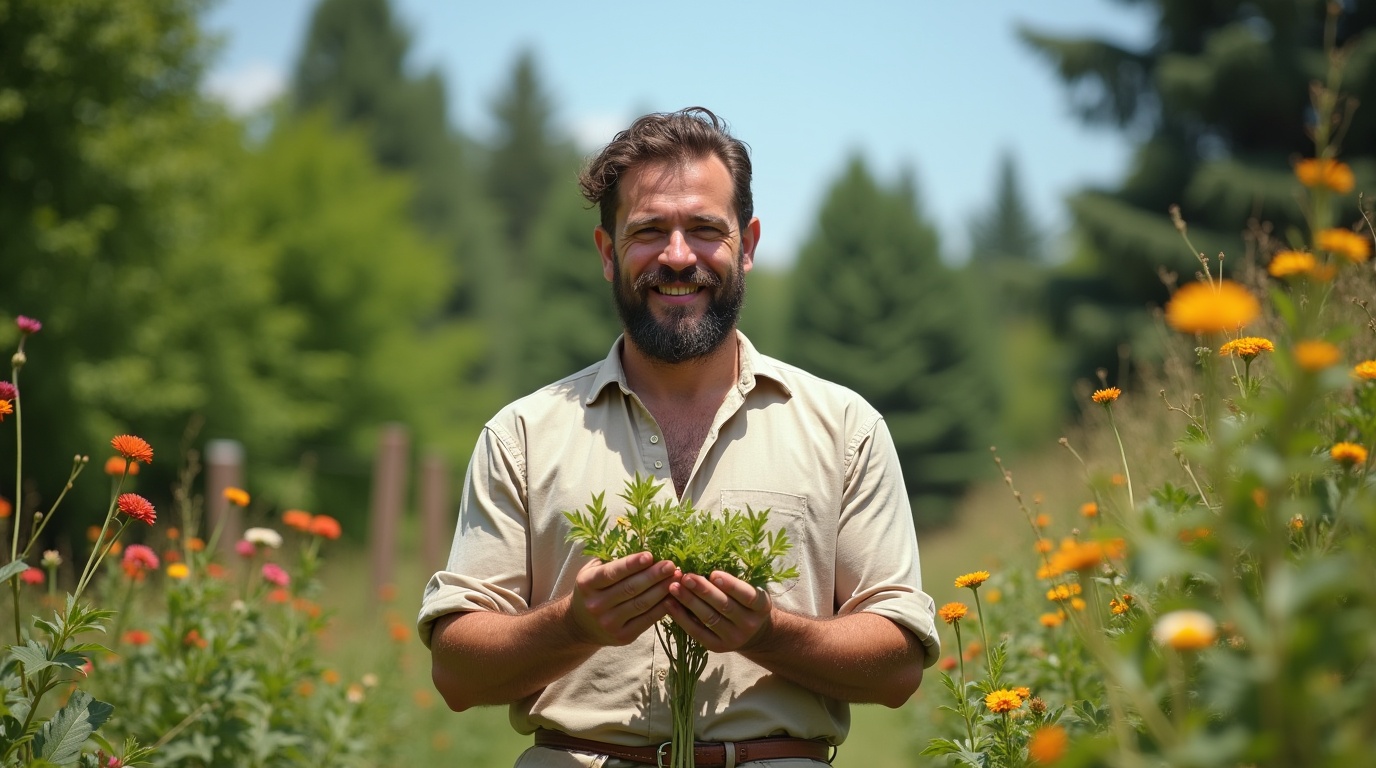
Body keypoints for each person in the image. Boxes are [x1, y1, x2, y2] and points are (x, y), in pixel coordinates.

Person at [419, 107, 940, 768]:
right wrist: (573, 626)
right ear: (609, 253)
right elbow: (457, 677)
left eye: (703, 229)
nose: (676, 255)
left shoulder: (845, 429)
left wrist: (768, 633)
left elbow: (897, 670)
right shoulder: (523, 434)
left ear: (746, 244)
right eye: (648, 231)